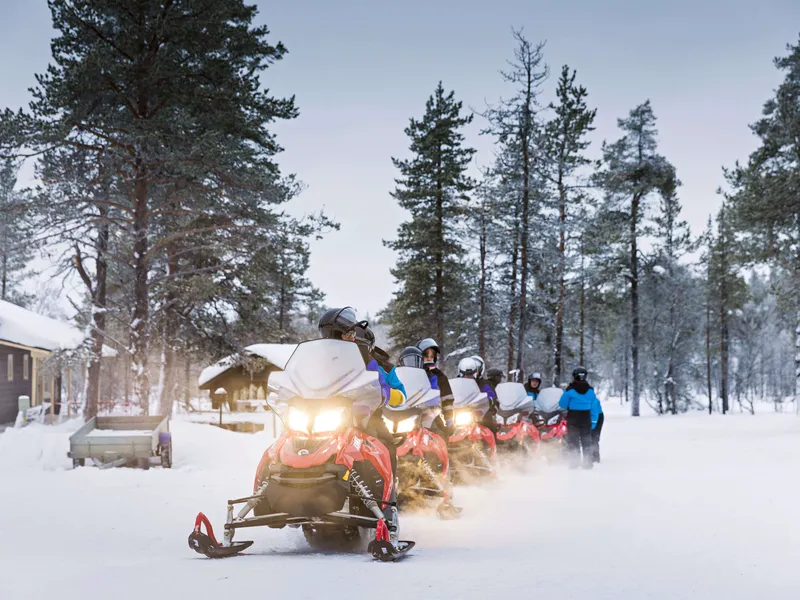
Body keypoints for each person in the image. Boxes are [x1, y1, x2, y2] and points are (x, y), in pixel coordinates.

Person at [317, 307, 406, 539]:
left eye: (350, 334)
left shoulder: (370, 359)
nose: (350, 338)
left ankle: (387, 504)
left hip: (365, 417)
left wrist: (386, 393)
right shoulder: (322, 360)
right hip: (324, 415)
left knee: (385, 444)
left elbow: (385, 386)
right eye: (343, 334)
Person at [558, 366, 601, 469]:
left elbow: (562, 404)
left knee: (573, 441)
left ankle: (574, 463)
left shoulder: (569, 390)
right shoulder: (590, 391)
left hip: (573, 418)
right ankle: (587, 463)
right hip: (586, 418)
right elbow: (593, 405)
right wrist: (593, 420)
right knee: (586, 441)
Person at [416, 338, 455, 434]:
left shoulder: (440, 376)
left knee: (440, 434)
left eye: (432, 355)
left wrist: (449, 419)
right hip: (411, 414)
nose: (429, 358)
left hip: (432, 415)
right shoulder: (411, 373)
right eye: (425, 355)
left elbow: (447, 400)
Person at [457, 356, 498, 432]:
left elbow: (491, 396)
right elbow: (451, 394)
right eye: (466, 374)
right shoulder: (458, 383)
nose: (468, 377)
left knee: (487, 421)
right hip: (461, 411)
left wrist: (489, 400)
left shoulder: (484, 384)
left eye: (470, 374)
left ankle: (491, 442)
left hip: (479, 411)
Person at [591, 393, 604, 464]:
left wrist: (591, 427)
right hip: (586, 416)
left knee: (593, 437)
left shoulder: (593, 401)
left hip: (597, 417)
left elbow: (594, 416)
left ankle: (595, 458)